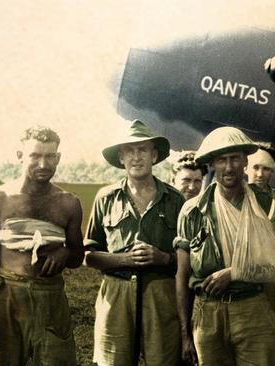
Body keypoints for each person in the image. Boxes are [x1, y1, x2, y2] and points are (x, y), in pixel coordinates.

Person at [175, 126, 275, 365]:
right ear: (212, 164)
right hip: (207, 313)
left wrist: (235, 272)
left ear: (245, 161)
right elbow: (183, 274)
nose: (228, 168)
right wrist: (186, 334)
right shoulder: (193, 211)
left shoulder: (266, 203)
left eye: (235, 159)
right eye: (221, 160)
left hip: (252, 309)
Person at [0, 125, 84, 365]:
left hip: (52, 298)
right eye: (35, 155)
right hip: (9, 297)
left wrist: (65, 252)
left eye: (49, 156)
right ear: (20, 156)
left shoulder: (69, 203)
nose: (43, 164)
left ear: (58, 158)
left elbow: (77, 257)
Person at [84, 119, 184, 365]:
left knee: (163, 361)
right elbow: (88, 255)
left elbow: (190, 259)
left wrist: (164, 258)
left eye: (142, 149)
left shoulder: (175, 200)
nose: (136, 157)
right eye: (129, 150)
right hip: (115, 295)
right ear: (121, 157)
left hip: (162, 295)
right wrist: (123, 259)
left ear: (154, 155)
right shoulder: (106, 198)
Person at [245, 141, 275, 321]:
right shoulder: (233, 198)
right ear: (246, 168)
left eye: (266, 169)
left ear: (272, 171)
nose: (260, 174)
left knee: (269, 333)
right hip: (241, 279)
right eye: (255, 167)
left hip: (271, 282)